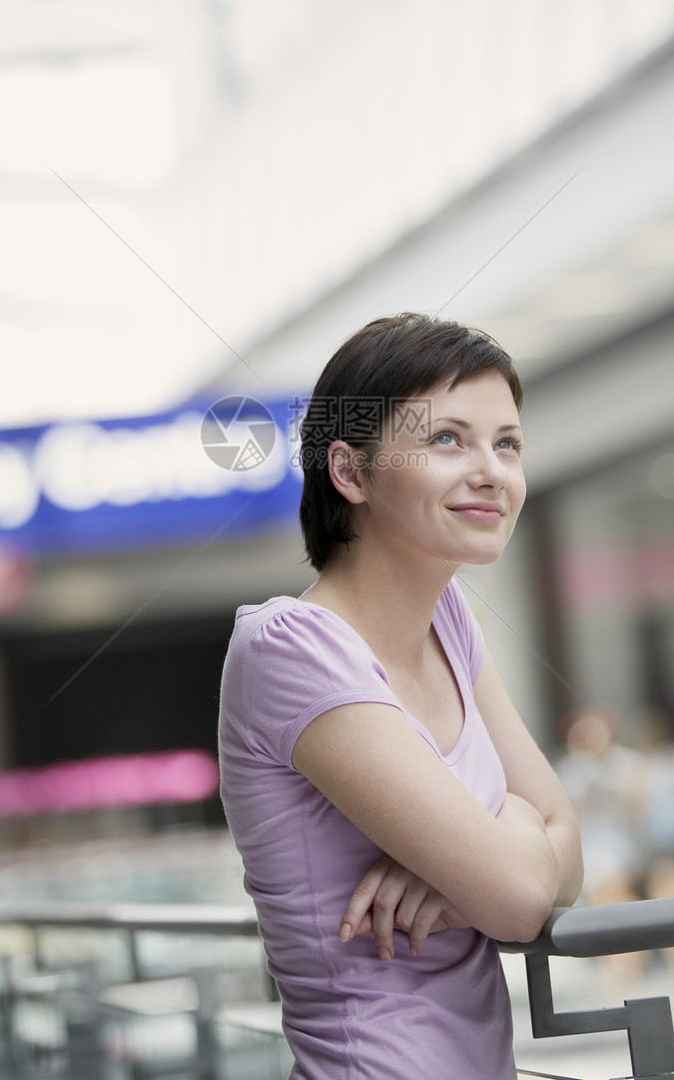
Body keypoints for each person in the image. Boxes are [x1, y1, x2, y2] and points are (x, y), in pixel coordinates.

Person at [218, 313, 583, 1079]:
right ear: (350, 473)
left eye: (507, 442)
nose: (492, 470)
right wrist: (495, 843)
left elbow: (567, 854)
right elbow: (522, 894)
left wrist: (456, 861)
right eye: (448, 439)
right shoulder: (290, 650)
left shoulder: (449, 620)